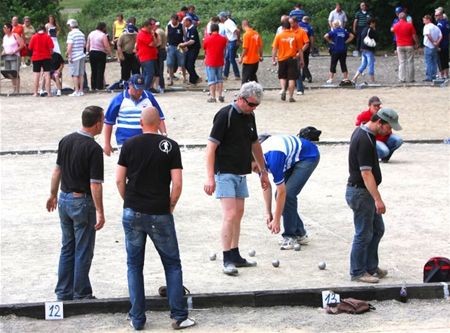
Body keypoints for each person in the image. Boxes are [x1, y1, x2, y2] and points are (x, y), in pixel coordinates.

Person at [116, 106, 196, 331]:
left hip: (133, 210)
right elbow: (177, 184)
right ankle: (179, 316)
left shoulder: (129, 145)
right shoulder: (169, 145)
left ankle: (138, 318)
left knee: (134, 265)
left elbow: (119, 180)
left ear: (141, 123)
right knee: (171, 264)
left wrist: (128, 200)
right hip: (159, 211)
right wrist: (170, 205)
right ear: (158, 123)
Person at [204, 81, 269, 276]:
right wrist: (210, 177)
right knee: (230, 214)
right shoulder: (225, 115)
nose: (253, 108)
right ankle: (226, 259)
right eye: (251, 104)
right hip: (224, 172)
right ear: (241, 99)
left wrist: (263, 171)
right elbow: (210, 148)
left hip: (241, 172)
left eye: (256, 105)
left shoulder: (250, 116)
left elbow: (255, 143)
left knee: (238, 214)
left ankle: (235, 253)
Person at [46, 105, 106, 300]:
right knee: (83, 249)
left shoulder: (66, 140)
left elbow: (57, 171)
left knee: (67, 247)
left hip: (64, 199)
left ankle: (63, 291)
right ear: (97, 123)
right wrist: (100, 211)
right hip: (82, 201)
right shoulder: (93, 148)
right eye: (102, 121)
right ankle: (82, 292)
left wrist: (53, 194)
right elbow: (95, 184)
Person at [346, 108, 402, 283]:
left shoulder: (367, 134)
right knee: (363, 233)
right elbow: (366, 174)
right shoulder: (364, 139)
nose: (390, 131)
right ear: (380, 123)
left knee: (377, 230)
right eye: (389, 127)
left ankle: (371, 267)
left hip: (364, 192)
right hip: (361, 193)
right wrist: (378, 199)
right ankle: (357, 272)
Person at [252, 131, 320, 250]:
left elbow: (283, 192)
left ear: (257, 161)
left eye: (255, 168)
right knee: (280, 195)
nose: (258, 172)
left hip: (308, 156)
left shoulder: (273, 158)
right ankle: (300, 233)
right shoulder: (259, 161)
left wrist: (277, 219)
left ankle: (290, 235)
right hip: (290, 159)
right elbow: (266, 186)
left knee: (287, 194)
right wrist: (268, 212)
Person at [103, 74, 167, 156]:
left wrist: (164, 135)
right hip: (125, 141)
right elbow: (109, 122)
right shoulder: (119, 99)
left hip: (147, 141)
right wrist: (107, 144)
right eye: (136, 89)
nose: (139, 92)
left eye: (141, 89)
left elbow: (159, 117)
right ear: (130, 85)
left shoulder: (149, 97)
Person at [355, 96, 403, 162]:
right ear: (369, 105)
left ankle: (385, 157)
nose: (377, 107)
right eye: (375, 105)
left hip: (385, 137)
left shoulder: (384, 113)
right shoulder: (363, 116)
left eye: (378, 105)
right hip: (374, 139)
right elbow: (359, 128)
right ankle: (371, 157)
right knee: (384, 151)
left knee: (398, 140)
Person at [272, 21, 302, 103]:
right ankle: (291, 96)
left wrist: (273, 59)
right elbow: (300, 49)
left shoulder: (279, 36)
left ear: (282, 28)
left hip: (282, 59)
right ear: (290, 27)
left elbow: (274, 48)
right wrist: (302, 60)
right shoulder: (295, 35)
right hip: (292, 59)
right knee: (292, 78)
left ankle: (283, 89)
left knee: (282, 76)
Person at [391, 12, 419, 83]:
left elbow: (392, 30)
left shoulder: (396, 25)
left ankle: (402, 78)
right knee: (410, 62)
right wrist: (416, 43)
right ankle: (411, 79)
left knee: (402, 62)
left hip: (400, 45)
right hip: (409, 45)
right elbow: (414, 35)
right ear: (405, 17)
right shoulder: (410, 25)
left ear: (399, 18)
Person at [203, 23, 227, 103]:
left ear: (211, 30)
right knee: (220, 79)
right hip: (220, 61)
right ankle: (220, 95)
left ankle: (213, 97)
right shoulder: (223, 39)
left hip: (210, 61)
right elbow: (224, 47)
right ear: (218, 30)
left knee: (211, 80)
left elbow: (204, 48)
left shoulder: (207, 39)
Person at [28, 25, 54, 97]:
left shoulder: (34, 37)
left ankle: (36, 93)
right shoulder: (47, 37)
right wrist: (50, 53)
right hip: (46, 57)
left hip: (36, 57)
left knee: (36, 75)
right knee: (47, 75)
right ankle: (49, 93)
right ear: (44, 30)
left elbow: (30, 48)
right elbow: (51, 48)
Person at [87, 22, 112, 90]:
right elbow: (106, 45)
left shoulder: (91, 33)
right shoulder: (103, 35)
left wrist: (87, 51)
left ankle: (93, 86)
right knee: (100, 70)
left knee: (93, 70)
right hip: (100, 53)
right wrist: (110, 53)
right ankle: (99, 86)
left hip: (92, 53)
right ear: (103, 27)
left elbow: (88, 44)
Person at [351, 18, 377, 83]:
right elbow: (376, 38)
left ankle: (354, 78)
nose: (375, 24)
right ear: (371, 23)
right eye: (374, 23)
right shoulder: (371, 30)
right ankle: (372, 80)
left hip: (363, 49)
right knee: (371, 64)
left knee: (363, 64)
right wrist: (374, 30)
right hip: (369, 50)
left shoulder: (364, 29)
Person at [136, 19, 159, 91]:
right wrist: (154, 39)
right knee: (150, 73)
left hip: (151, 56)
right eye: (149, 28)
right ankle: (145, 89)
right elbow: (151, 44)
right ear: (145, 26)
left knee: (146, 74)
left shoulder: (149, 33)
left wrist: (153, 35)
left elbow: (156, 42)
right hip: (146, 57)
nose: (151, 29)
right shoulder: (141, 34)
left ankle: (144, 89)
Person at [1, 22, 24, 93]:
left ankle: (17, 90)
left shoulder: (15, 35)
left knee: (15, 72)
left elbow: (22, 45)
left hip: (15, 56)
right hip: (6, 57)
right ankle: (14, 89)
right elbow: (5, 47)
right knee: (9, 73)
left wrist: (14, 51)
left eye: (5, 28)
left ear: (9, 28)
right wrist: (2, 53)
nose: (3, 29)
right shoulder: (4, 37)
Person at [289, 16, 309, 96]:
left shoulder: (302, 31)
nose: (290, 24)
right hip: (289, 53)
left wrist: (300, 52)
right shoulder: (288, 31)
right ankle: (287, 88)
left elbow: (307, 43)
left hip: (298, 52)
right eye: (289, 23)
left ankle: (300, 89)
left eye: (291, 23)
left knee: (297, 71)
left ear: (296, 22)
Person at [66, 19, 86, 96]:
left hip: (75, 56)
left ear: (70, 25)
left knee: (74, 74)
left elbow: (70, 46)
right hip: (81, 55)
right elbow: (84, 44)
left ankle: (76, 90)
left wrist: (69, 55)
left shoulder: (71, 34)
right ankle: (81, 90)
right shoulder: (81, 33)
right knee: (81, 74)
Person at [179, 17, 201, 85]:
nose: (184, 24)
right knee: (186, 64)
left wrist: (184, 44)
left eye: (184, 22)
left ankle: (194, 79)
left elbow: (192, 41)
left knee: (190, 64)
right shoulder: (188, 29)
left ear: (188, 21)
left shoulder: (193, 29)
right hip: (189, 49)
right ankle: (194, 78)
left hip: (194, 49)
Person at [239, 19, 263, 84]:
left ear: (243, 25)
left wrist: (241, 58)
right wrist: (261, 56)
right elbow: (260, 46)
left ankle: (243, 93)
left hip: (248, 60)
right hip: (256, 60)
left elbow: (245, 48)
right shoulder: (256, 33)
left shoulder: (246, 35)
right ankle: (258, 91)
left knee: (245, 78)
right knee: (253, 77)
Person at [220, 12, 241, 80]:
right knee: (227, 58)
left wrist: (237, 40)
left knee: (231, 59)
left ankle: (237, 75)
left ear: (223, 17)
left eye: (220, 17)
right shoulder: (227, 23)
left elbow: (237, 31)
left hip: (233, 41)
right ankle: (225, 75)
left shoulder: (228, 23)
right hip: (230, 41)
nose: (220, 18)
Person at [166, 14, 186, 86]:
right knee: (170, 63)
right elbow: (166, 36)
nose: (173, 21)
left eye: (174, 20)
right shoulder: (168, 26)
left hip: (180, 46)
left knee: (182, 63)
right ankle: (171, 79)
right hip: (171, 46)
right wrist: (166, 45)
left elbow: (185, 35)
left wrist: (185, 44)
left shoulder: (181, 25)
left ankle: (184, 77)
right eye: (172, 20)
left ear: (177, 20)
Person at [422, 15, 442, 82]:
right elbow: (441, 36)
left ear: (428, 19)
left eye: (424, 19)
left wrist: (433, 42)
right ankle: (434, 76)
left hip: (428, 46)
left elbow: (428, 35)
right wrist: (437, 43)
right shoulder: (436, 27)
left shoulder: (427, 26)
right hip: (434, 47)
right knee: (434, 62)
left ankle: (429, 77)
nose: (423, 21)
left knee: (429, 62)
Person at [435, 8, 449, 79]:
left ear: (440, 15)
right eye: (435, 15)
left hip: (441, 44)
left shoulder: (439, 24)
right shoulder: (447, 22)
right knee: (446, 59)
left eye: (437, 15)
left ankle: (442, 75)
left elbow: (439, 35)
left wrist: (437, 45)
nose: (435, 17)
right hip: (446, 44)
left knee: (440, 60)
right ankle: (447, 74)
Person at [299, 16, 314, 83]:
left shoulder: (298, 25)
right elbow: (311, 38)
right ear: (308, 20)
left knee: (301, 62)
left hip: (299, 46)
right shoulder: (309, 27)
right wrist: (312, 47)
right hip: (307, 46)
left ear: (302, 19)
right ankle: (303, 77)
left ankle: (308, 76)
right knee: (306, 61)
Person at [154, 21, 167, 93]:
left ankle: (160, 86)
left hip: (160, 51)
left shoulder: (158, 32)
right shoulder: (161, 30)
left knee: (159, 70)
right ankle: (161, 85)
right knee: (160, 69)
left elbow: (159, 43)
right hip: (162, 50)